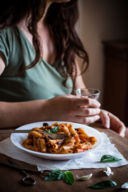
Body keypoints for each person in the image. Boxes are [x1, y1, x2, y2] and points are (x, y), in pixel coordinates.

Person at [0, 0, 126, 137]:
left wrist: (95, 114)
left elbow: (81, 97)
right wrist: (47, 110)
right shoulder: (5, 34)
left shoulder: (62, 35)